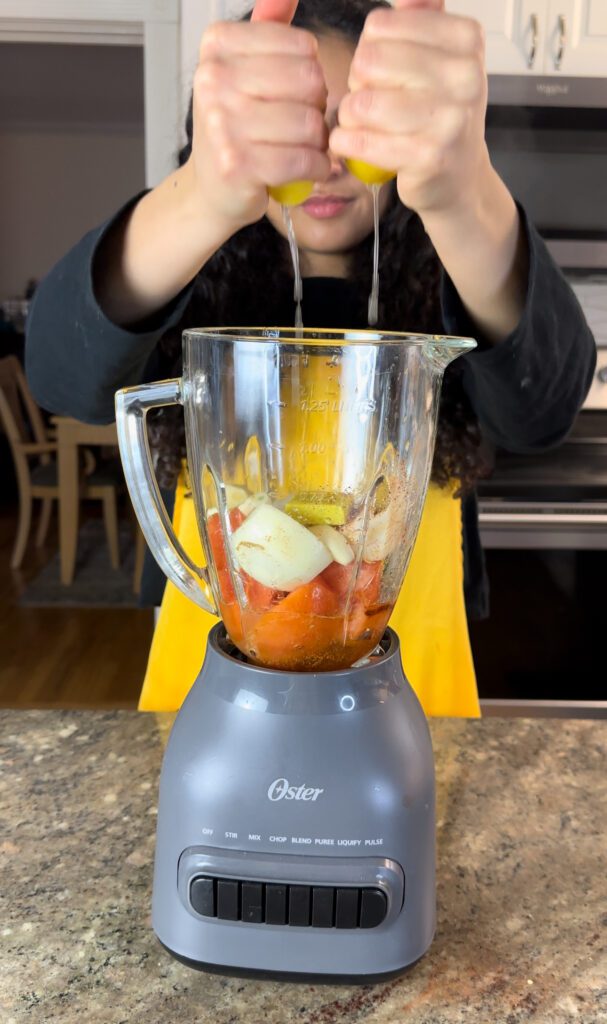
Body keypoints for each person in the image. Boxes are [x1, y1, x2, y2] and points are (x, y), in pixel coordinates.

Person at [26, 0, 595, 718]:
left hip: (413, 689)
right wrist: (201, 197)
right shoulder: (186, 267)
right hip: (212, 689)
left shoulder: (460, 267)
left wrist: (466, 197)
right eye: (296, 125)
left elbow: (541, 407)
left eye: (353, 128)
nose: (326, 161)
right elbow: (57, 371)